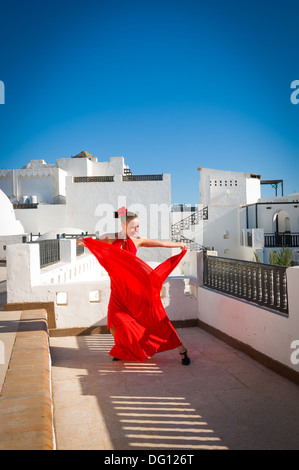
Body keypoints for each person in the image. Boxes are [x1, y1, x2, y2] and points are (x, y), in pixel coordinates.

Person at [77, 207, 191, 366]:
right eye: (133, 227)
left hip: (136, 289)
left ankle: (181, 349)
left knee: (155, 319)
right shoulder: (110, 238)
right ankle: (122, 348)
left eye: (137, 226)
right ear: (123, 226)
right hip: (118, 289)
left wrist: (178, 244)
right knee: (114, 322)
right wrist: (85, 242)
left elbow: (162, 243)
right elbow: (96, 244)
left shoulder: (138, 240)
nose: (136, 230)